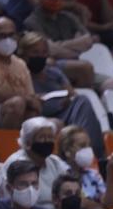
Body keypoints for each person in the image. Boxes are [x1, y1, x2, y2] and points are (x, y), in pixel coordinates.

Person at [17, 31, 105, 159]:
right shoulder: (20, 75)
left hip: (61, 111)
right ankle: (80, 151)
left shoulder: (54, 73)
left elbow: (71, 93)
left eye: (43, 53)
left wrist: (68, 99)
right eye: (35, 53)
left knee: (82, 100)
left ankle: (91, 152)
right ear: (24, 54)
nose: (40, 56)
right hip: (38, 115)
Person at [24, 0, 113, 91]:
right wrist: (76, 46)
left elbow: (88, 40)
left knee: (112, 84)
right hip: (50, 66)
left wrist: (59, 47)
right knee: (85, 67)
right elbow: (48, 49)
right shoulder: (32, 22)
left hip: (74, 60)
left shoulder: (69, 17)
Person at [0, 116, 70, 209]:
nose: (47, 141)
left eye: (50, 137)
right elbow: (14, 204)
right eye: (42, 137)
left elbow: (68, 191)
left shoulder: (55, 162)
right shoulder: (16, 164)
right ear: (28, 142)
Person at [56, 125, 113, 209]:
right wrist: (100, 208)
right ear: (67, 151)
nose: (88, 149)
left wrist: (110, 170)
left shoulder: (92, 174)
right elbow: (81, 203)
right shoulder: (59, 173)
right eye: (82, 146)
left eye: (89, 145)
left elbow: (108, 204)